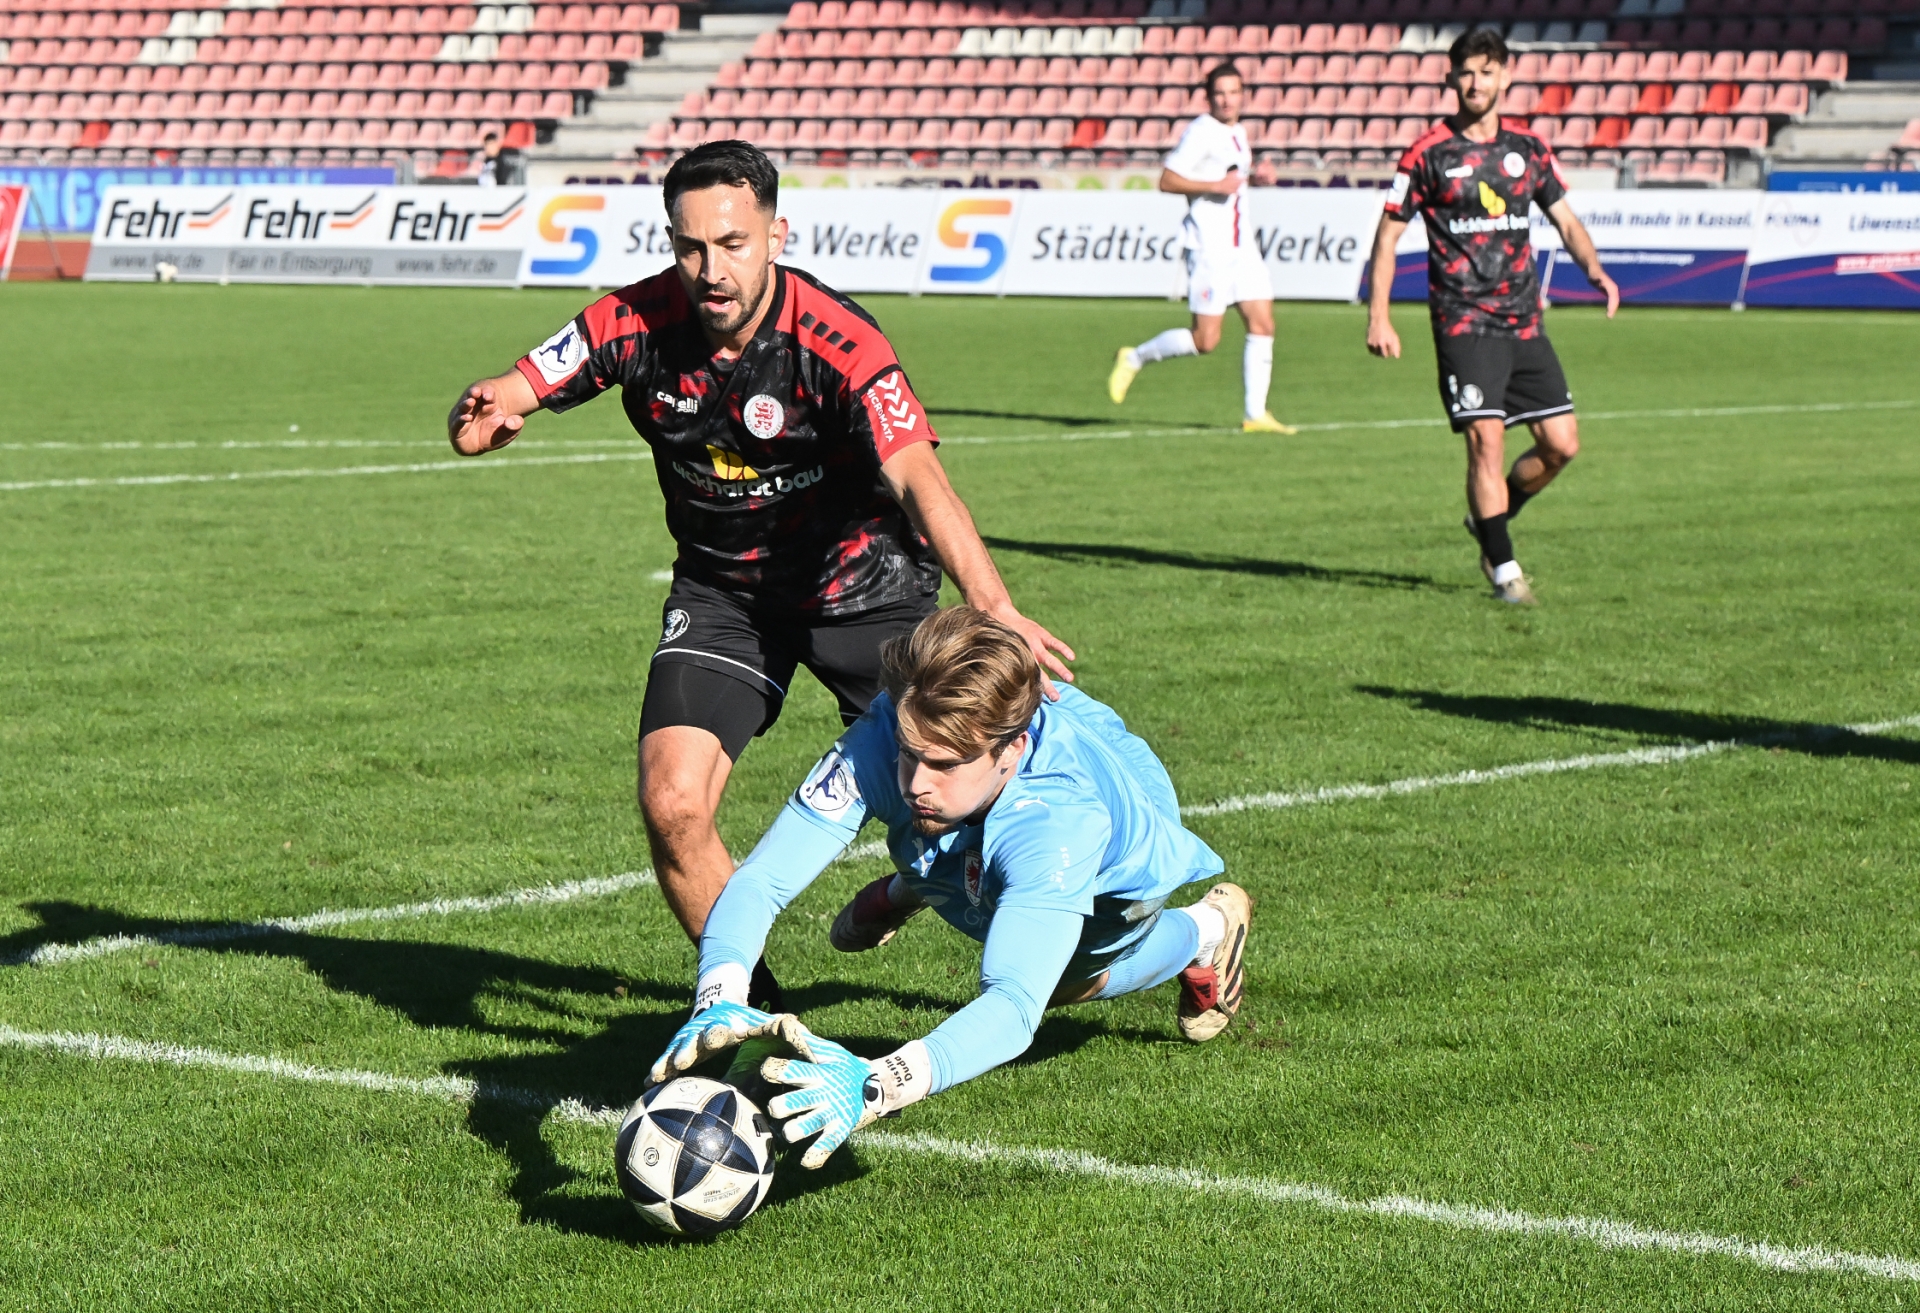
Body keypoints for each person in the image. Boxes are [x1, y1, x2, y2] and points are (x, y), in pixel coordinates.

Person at [445, 141, 1073, 1009]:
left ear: (776, 236)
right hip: (726, 595)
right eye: (691, 246)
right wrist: (481, 415)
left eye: (733, 243)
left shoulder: (839, 341)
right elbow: (514, 387)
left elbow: (918, 475)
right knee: (673, 803)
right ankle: (755, 1020)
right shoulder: (629, 321)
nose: (711, 270)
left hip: (868, 591)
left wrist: (992, 605)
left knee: (972, 828)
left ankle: (1155, 930)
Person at [647, 606, 1251, 1169]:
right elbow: (763, 878)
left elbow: (1013, 1006)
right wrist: (718, 993)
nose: (917, 782)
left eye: (944, 764)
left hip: (1121, 863)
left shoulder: (1057, 828)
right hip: (995, 810)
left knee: (1065, 983)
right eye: (910, 754)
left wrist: (876, 1084)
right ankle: (929, 878)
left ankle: (1206, 930)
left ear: (1012, 749)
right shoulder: (889, 731)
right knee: (939, 825)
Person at [1363, 28, 1619, 605]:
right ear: (1450, 79)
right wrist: (1379, 316)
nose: (1475, 83)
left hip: (1524, 320)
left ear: (1506, 76)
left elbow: (1566, 220)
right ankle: (1506, 573)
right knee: (1486, 440)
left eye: (1486, 71)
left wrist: (1595, 269)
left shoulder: (1529, 149)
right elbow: (1387, 238)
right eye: (1466, 72)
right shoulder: (1427, 154)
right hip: (1463, 322)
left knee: (1561, 445)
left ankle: (1490, 519)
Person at [1108, 62, 1297, 435]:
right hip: (1211, 247)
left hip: (1242, 246)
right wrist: (1214, 186)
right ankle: (1134, 357)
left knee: (1263, 323)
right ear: (1209, 98)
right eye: (1220, 93)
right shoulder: (1201, 132)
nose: (1227, 100)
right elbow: (1167, 180)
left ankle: (1255, 415)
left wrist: (1255, 179)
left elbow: (1232, 181)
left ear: (1242, 95)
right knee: (1205, 339)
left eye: (1233, 92)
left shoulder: (1238, 132)